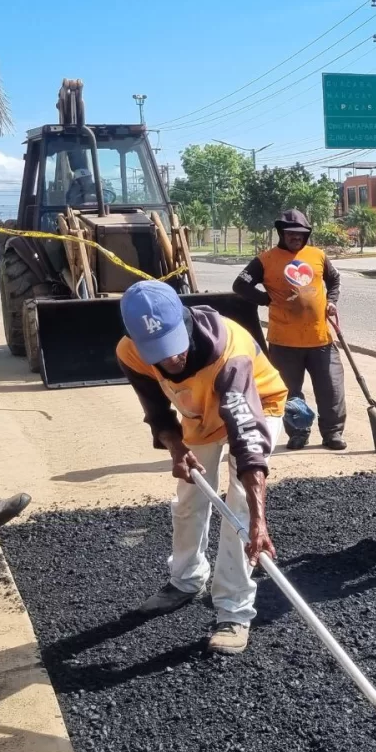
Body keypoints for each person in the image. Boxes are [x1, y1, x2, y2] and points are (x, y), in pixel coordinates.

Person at [116, 280, 288, 655]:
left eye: (174, 347)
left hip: (257, 404)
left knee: (238, 508)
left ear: (184, 319)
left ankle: (233, 609)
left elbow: (246, 438)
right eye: (157, 353)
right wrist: (175, 447)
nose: (170, 360)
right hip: (201, 415)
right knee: (189, 497)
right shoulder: (131, 353)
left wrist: (259, 520)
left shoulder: (229, 354)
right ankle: (186, 578)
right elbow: (157, 410)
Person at [233, 209, 347, 451]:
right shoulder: (265, 260)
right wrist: (265, 300)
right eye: (291, 233)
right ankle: (298, 433)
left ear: (307, 235)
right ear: (281, 233)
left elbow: (334, 280)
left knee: (332, 390)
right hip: (284, 342)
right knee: (289, 393)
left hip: (321, 339)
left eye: (301, 233)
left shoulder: (318, 255)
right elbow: (240, 285)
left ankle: (332, 433)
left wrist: (332, 301)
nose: (296, 237)